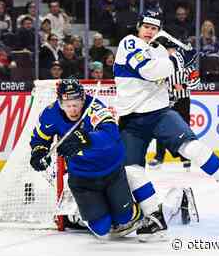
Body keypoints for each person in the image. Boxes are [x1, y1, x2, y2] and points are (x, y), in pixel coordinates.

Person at [113, 10, 219, 239]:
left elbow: (190, 79)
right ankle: (153, 215)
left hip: (160, 112)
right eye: (146, 26)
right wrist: (177, 59)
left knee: (191, 147)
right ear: (139, 27)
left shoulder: (159, 50)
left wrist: (188, 65)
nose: (149, 31)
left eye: (154, 28)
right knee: (131, 170)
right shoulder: (129, 43)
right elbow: (149, 71)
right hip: (131, 118)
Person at [29, 77, 145, 239]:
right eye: (68, 105)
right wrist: (38, 152)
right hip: (82, 178)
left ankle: (131, 206)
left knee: (125, 217)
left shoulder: (95, 107)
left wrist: (85, 139)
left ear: (83, 99)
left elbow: (111, 134)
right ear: (60, 103)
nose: (73, 110)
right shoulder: (50, 114)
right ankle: (90, 211)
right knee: (101, 228)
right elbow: (39, 139)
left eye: (76, 104)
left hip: (110, 170)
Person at [148, 37, 194, 171]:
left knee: (184, 128)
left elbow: (195, 82)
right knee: (162, 128)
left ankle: (185, 158)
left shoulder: (186, 64)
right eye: (168, 50)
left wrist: (183, 85)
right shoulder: (161, 64)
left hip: (182, 100)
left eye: (171, 50)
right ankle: (159, 157)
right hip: (166, 100)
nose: (170, 52)